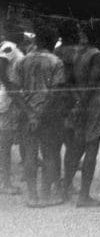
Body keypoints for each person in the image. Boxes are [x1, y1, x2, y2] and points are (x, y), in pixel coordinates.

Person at [61, 18, 100, 207]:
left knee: (75, 148)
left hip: (80, 102)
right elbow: (93, 82)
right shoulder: (97, 55)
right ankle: (84, 196)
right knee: (91, 149)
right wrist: (84, 103)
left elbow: (70, 81)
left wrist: (78, 101)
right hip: (93, 105)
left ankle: (65, 189)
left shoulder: (78, 53)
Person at [17, 21, 65, 208]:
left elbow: (15, 89)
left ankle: (32, 196)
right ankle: (45, 194)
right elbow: (55, 92)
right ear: (52, 42)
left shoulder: (23, 60)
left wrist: (29, 113)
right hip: (48, 113)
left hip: (26, 113)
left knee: (29, 154)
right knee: (50, 153)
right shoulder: (55, 62)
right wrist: (41, 114)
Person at [54, 19, 82, 196]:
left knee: (55, 145)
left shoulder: (56, 51)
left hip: (56, 101)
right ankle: (67, 184)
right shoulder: (76, 53)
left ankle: (57, 182)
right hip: (71, 101)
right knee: (73, 145)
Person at [0, 21, 25, 195]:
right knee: (5, 142)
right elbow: (2, 66)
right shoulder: (9, 47)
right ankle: (5, 182)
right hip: (6, 97)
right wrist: (9, 85)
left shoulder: (11, 47)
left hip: (8, 95)